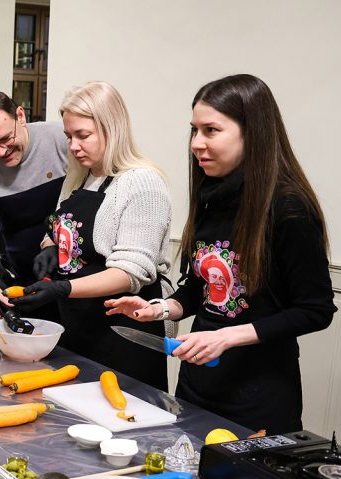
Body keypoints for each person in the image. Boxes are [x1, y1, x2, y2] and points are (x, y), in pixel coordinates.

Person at [106, 74, 335, 432]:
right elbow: (199, 291)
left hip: (258, 395)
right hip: (198, 387)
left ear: (252, 132)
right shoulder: (211, 197)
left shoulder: (289, 208)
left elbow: (316, 310)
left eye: (211, 130)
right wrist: (161, 309)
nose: (197, 143)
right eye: (194, 130)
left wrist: (227, 337)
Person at [12, 81, 173, 391]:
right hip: (77, 324)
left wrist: (62, 288)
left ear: (111, 129)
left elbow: (130, 273)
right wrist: (49, 247)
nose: (73, 146)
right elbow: (62, 227)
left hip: (122, 333)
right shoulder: (81, 176)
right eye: (69, 136)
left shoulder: (142, 184)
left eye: (82, 135)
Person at [0, 91, 68, 319]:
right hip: (22, 278)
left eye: (6, 139)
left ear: (20, 116)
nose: (0, 151)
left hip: (72, 279)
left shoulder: (62, 140)